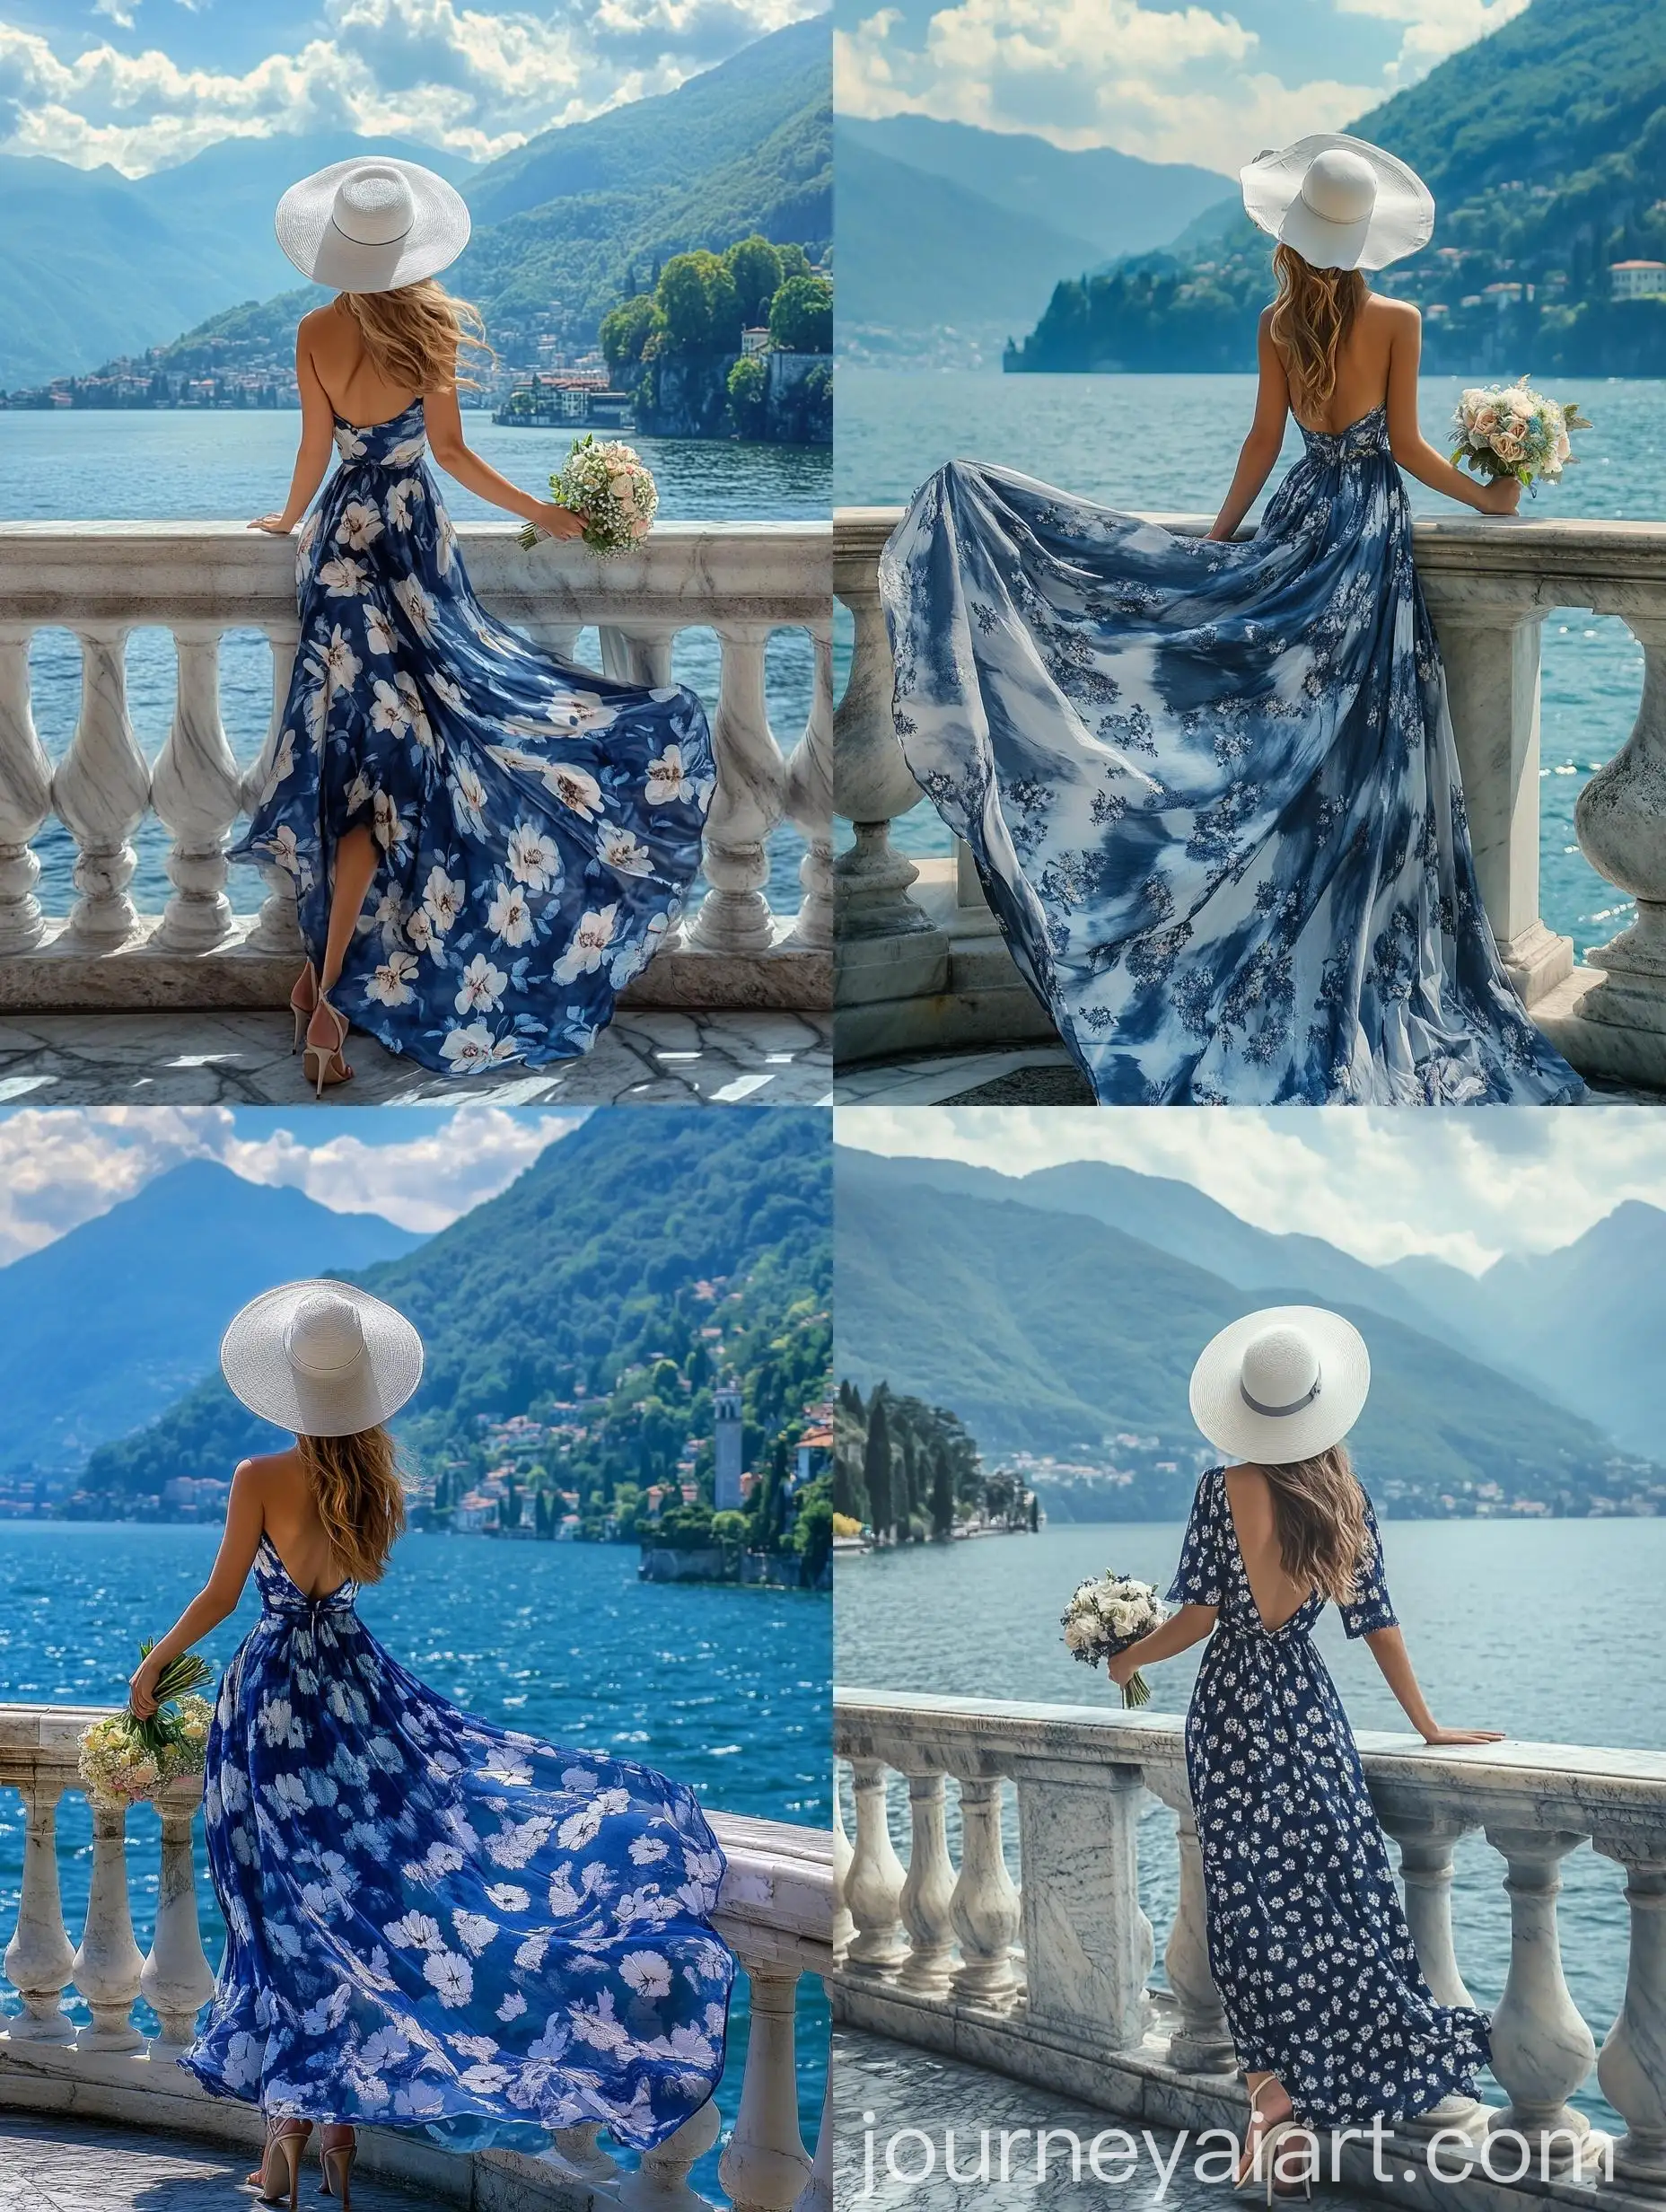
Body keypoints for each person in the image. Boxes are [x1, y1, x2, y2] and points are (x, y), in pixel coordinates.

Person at [879, 134, 1584, 1105]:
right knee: (1356, 751)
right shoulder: (1397, 319)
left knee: (1270, 744)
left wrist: (1209, 551)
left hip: (1299, 520)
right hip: (1363, 545)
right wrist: (1489, 497)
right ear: (1365, 237)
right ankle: (1345, 942)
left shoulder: (1274, 322)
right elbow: (1408, 449)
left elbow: (1263, 442)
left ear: (1294, 236)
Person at [128, 1280, 732, 2208]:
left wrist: (152, 1670)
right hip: (353, 1687)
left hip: (272, 1705)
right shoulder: (374, 1488)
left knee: (280, 1916)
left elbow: (218, 1599)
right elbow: (345, 1583)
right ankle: (333, 2135)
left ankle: (285, 2134)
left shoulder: (259, 1478)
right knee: (371, 1901)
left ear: (288, 1385)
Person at [237, 158, 715, 1087]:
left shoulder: (313, 330)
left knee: (349, 785)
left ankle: (316, 983)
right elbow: (449, 453)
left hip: (341, 552)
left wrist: (289, 520)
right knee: (435, 762)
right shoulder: (426, 331)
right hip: (412, 545)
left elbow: (310, 446)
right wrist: (542, 511)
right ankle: (329, 1000)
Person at [1107, 1307, 1499, 2195]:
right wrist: (1428, 1723)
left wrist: (1128, 1653)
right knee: (1332, 1912)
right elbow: (1377, 1624)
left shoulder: (1220, 1487)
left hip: (1235, 1716)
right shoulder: (1342, 1498)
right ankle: (1278, 2121)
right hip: (1310, 1718)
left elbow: (1202, 1618)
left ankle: (1274, 2109)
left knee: (1251, 1925)